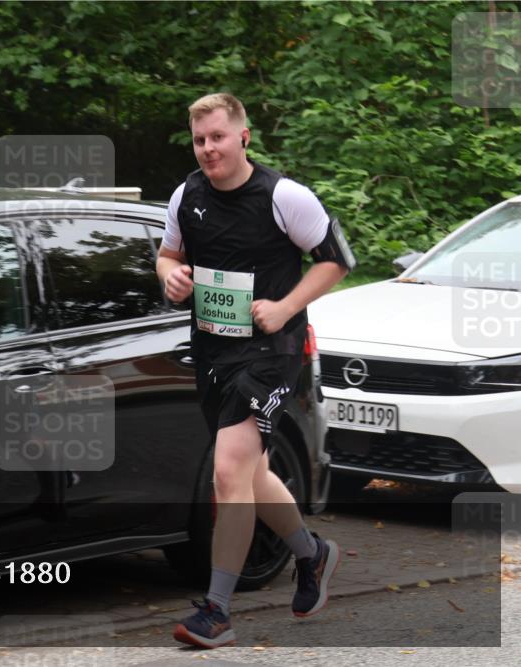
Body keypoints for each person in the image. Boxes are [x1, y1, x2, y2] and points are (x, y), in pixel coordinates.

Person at [155, 93, 356, 649]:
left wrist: (286, 308)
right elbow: (168, 253)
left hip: (271, 352)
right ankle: (312, 555)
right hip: (213, 350)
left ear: (243, 136)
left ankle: (216, 610)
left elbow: (338, 258)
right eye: (199, 140)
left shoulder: (283, 196)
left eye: (218, 137)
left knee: (227, 473)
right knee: (252, 473)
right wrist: (170, 276)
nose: (208, 149)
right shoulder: (186, 194)